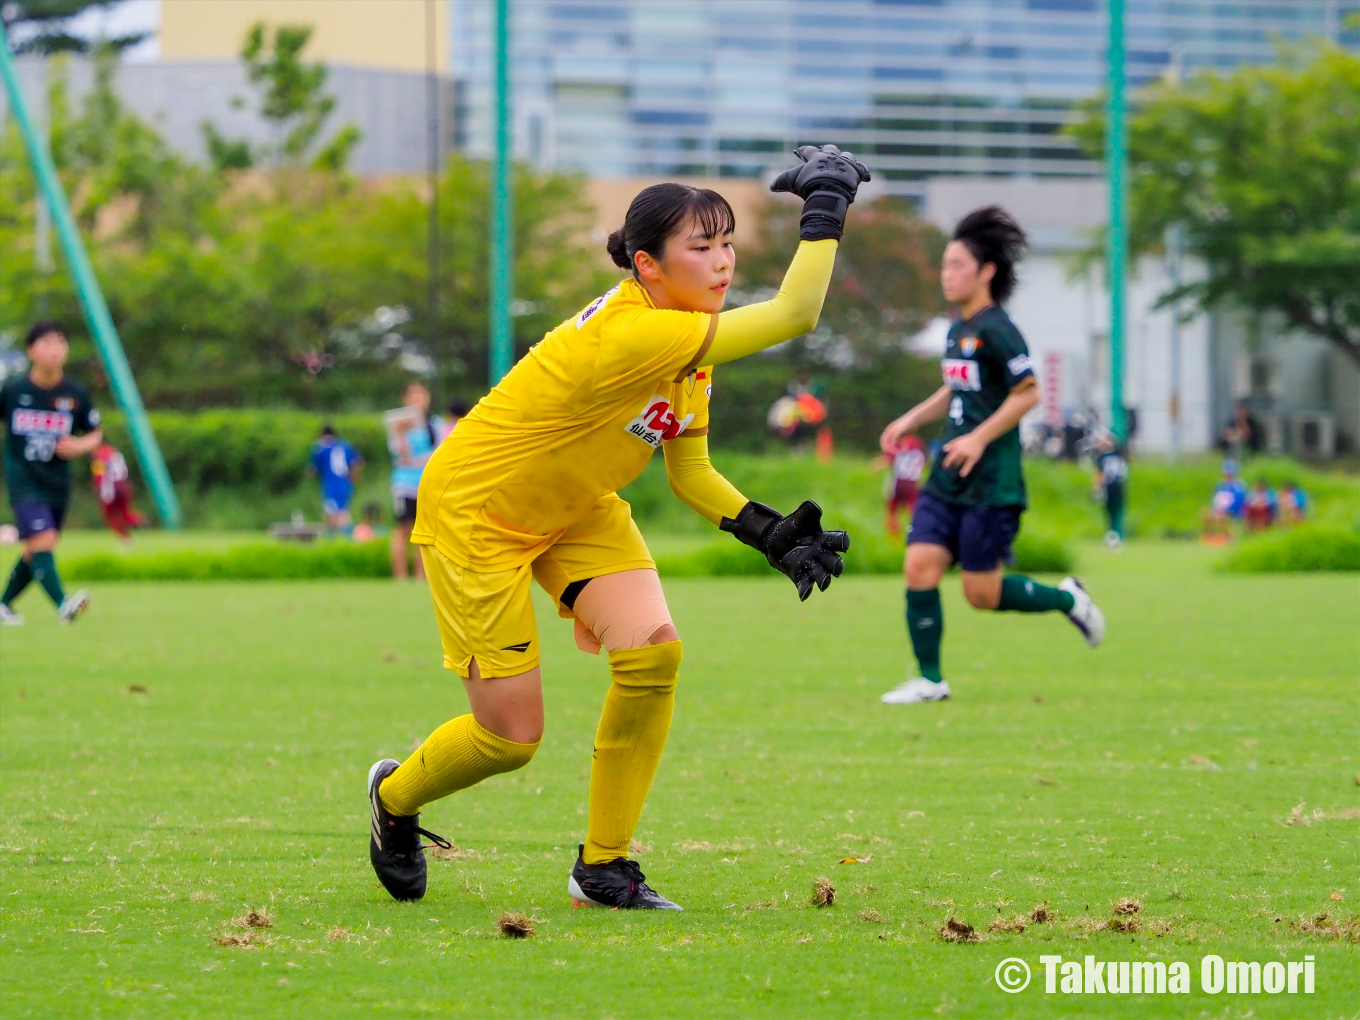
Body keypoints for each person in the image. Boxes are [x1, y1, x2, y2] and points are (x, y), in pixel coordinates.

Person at [365, 146, 867, 909]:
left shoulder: (687, 336)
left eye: (728, 243)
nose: (724, 262)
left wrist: (766, 531)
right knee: (510, 738)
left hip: (577, 506)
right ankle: (395, 799)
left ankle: (604, 868)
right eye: (701, 248)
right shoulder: (636, 333)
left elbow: (690, 471)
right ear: (647, 265)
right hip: (478, 514)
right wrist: (825, 209)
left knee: (654, 654)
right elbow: (796, 314)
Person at [876, 207, 1105, 705]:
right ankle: (930, 680)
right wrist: (913, 418)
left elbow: (1027, 393)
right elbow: (956, 387)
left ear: (986, 272)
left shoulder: (1000, 329)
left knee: (982, 594)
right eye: (944, 265)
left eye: (957, 265)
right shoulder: (958, 330)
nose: (947, 274)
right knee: (919, 566)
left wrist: (979, 438)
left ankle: (1069, 598)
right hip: (947, 478)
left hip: (991, 483)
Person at [0, 322, 100, 626]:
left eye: (60, 342)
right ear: (31, 350)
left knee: (37, 548)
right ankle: (63, 605)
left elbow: (95, 433)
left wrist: (79, 445)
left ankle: (3, 604)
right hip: (23, 479)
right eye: (46, 343)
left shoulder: (75, 393)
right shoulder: (14, 390)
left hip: (57, 483)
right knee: (42, 539)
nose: (54, 350)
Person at [387, 382, 442, 580]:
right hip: (404, 483)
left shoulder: (435, 424)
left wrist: (417, 460)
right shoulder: (398, 424)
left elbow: (439, 453)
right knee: (402, 528)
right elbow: (400, 455)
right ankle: (400, 576)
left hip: (427, 483)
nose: (418, 399)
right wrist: (401, 433)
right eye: (413, 395)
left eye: (421, 395)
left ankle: (421, 575)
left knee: (424, 531)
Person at [309, 424, 363, 534]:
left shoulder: (320, 448)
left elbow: (312, 470)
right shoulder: (344, 445)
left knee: (334, 514)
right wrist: (353, 477)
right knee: (341, 511)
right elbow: (358, 461)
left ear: (321, 435)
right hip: (345, 484)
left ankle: (346, 537)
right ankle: (340, 538)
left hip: (331, 485)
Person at [90, 441, 144, 544]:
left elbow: (101, 475)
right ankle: (138, 521)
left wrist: (101, 488)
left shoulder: (100, 454)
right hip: (124, 485)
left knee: (110, 516)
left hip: (111, 488)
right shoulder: (114, 452)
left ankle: (126, 539)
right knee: (125, 513)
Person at [875, 432, 926, 537]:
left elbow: (890, 458)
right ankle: (918, 534)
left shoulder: (899, 444)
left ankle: (894, 538)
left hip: (899, 482)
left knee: (892, 513)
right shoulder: (918, 445)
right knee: (914, 512)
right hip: (913, 483)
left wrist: (876, 467)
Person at [1091, 430, 1129, 550]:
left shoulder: (1115, 455)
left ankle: (1117, 537)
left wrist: (1096, 487)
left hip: (1115, 487)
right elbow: (1099, 474)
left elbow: (1100, 474)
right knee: (1111, 514)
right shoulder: (1108, 456)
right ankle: (1113, 536)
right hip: (1111, 488)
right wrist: (1097, 488)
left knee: (1117, 514)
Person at [1202, 459, 1247, 541]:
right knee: (1206, 514)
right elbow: (1214, 500)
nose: (1227, 475)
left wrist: (1227, 510)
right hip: (1219, 510)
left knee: (1221, 517)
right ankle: (1208, 536)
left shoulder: (1238, 486)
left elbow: (1239, 502)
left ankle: (1223, 535)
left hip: (1232, 512)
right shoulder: (1220, 485)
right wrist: (1213, 508)